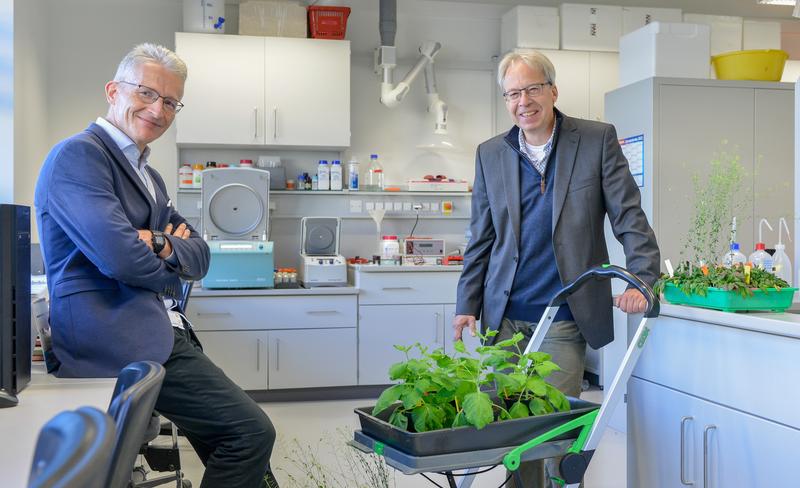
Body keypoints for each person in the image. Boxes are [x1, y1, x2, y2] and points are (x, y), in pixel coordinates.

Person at [35, 43, 280, 488]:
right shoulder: (80, 157)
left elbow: (201, 256)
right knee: (249, 433)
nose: (158, 109)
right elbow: (122, 259)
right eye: (147, 93)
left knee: (240, 442)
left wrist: (160, 242)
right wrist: (168, 262)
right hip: (115, 337)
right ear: (113, 91)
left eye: (170, 101)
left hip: (155, 328)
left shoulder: (149, 174)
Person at [452, 50, 660, 487]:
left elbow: (629, 217)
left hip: (565, 315)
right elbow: (482, 237)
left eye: (531, 89)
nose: (522, 101)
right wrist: (466, 303)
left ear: (552, 90)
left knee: (553, 433)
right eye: (512, 93)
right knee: (510, 431)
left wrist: (642, 279)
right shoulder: (491, 153)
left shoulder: (596, 139)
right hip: (504, 318)